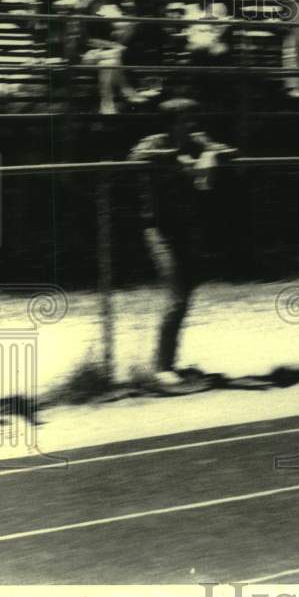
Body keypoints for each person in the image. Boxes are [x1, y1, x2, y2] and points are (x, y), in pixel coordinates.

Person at [129, 99, 237, 389]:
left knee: (186, 293)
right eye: (185, 119)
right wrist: (176, 157)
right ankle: (161, 367)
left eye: (193, 118)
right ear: (171, 122)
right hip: (157, 228)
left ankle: (169, 362)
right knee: (177, 295)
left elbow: (230, 151)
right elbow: (135, 157)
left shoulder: (197, 140)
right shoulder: (154, 142)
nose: (191, 124)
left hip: (185, 228)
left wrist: (211, 154)